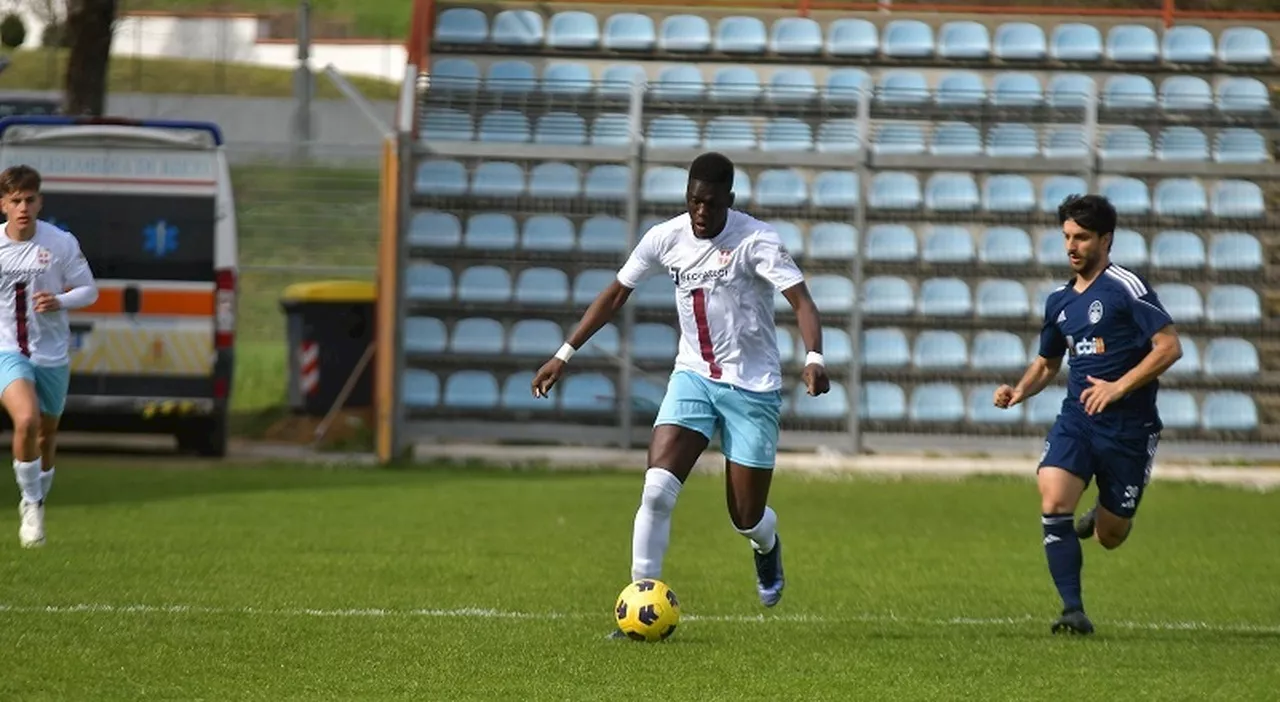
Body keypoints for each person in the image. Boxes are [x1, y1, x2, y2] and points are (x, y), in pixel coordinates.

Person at [531, 152, 830, 635]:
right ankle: (636, 608)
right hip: (692, 378)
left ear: (729, 201)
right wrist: (564, 353)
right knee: (656, 490)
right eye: (693, 202)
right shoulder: (665, 238)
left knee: (746, 517)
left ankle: (766, 546)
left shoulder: (757, 240)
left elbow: (803, 301)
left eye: (711, 204)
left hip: (752, 388)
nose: (700, 213)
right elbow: (614, 295)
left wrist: (814, 358)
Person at [994, 194, 1182, 635]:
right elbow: (1047, 363)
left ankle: (1102, 513)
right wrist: (1018, 391)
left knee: (1111, 536)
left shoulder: (1126, 287)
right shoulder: (1059, 301)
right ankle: (1072, 611)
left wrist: (1118, 387)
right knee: (1053, 498)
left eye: (1081, 237)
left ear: (1105, 239)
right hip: (1077, 421)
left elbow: (1169, 347)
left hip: (1129, 429)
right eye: (1066, 237)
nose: (1071, 247)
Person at [0, 164, 98, 548]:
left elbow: (89, 291)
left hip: (52, 353)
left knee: (46, 432)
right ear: (3, 204)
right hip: (8, 350)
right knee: (25, 420)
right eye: (15, 200)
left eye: (29, 199)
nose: (23, 207)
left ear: (40, 202)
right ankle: (30, 502)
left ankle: (38, 498)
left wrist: (59, 300)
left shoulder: (60, 243)